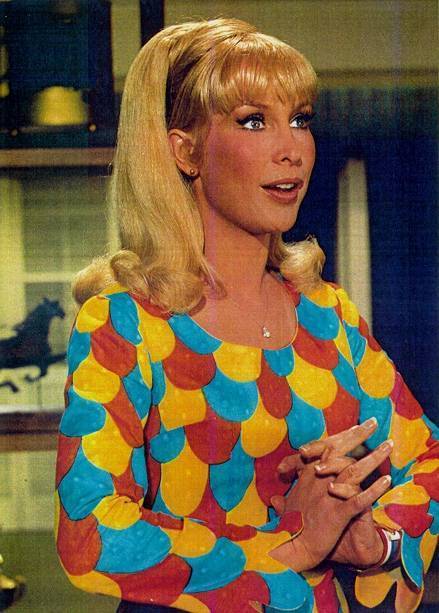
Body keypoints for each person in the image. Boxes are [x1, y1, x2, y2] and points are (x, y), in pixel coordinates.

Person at [55, 18, 438, 612]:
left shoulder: (328, 315)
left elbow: (427, 459)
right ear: (185, 151)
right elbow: (89, 529)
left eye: (301, 119)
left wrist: (379, 542)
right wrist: (289, 550)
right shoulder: (124, 324)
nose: (293, 149)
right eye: (254, 121)